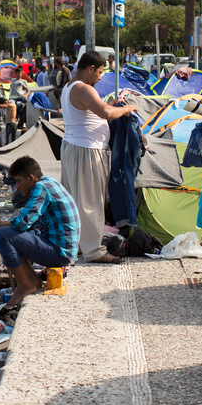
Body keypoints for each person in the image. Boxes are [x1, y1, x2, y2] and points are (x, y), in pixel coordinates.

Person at [60, 50, 137, 264]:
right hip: (86, 151)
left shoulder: (68, 87)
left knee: (75, 200)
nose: (101, 77)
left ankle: (76, 245)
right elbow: (106, 113)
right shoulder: (84, 88)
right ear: (90, 69)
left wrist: (110, 106)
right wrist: (126, 108)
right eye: (100, 72)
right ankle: (94, 250)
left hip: (74, 148)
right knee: (90, 202)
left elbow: (94, 110)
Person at [0, 156, 79, 309]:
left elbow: (23, 222)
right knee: (11, 233)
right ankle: (33, 280)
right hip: (62, 250)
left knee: (2, 235)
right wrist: (2, 224)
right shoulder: (50, 182)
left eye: (19, 181)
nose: (17, 187)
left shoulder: (41, 188)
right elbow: (29, 222)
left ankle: (23, 284)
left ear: (31, 178)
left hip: (59, 253)